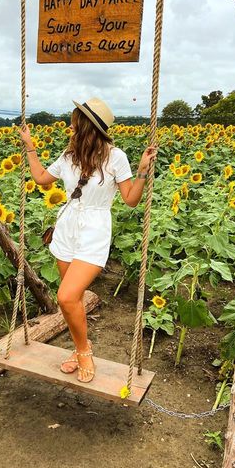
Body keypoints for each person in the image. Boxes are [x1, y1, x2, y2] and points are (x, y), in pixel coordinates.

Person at [18, 97, 156, 383]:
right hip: (67, 227)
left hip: (95, 230)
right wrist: (30, 147)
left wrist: (143, 169)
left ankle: (83, 352)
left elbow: (130, 200)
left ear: (86, 126)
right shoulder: (69, 156)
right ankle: (80, 348)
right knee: (74, 300)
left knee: (65, 297)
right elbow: (42, 178)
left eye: (75, 121)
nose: (70, 125)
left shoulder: (115, 157)